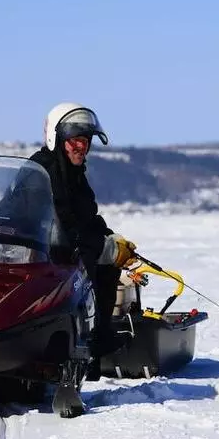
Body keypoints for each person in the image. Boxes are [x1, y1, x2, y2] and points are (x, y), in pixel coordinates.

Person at [29, 103, 137, 377]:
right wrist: (108, 249)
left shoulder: (73, 174)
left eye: (85, 142)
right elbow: (65, 228)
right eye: (75, 141)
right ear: (58, 139)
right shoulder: (43, 173)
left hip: (64, 249)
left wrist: (111, 237)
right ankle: (94, 340)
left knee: (109, 260)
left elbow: (87, 218)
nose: (81, 147)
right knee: (105, 260)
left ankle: (96, 340)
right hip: (45, 253)